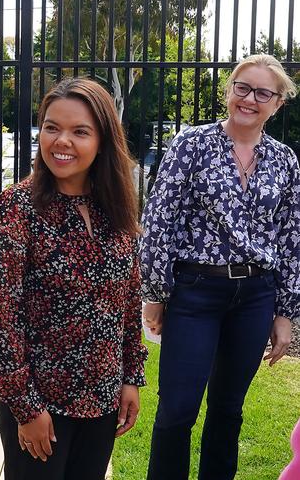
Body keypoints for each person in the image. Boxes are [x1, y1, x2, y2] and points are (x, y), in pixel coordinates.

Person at [0, 77, 148, 480]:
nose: (61, 141)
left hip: (102, 399)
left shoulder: (116, 208)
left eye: (80, 131)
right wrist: (25, 406)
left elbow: (127, 302)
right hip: (41, 405)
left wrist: (130, 378)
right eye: (52, 127)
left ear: (104, 141)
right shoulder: (18, 207)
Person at [140, 54, 300, 480]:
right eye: (242, 87)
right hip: (195, 292)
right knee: (177, 409)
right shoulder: (191, 144)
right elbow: (159, 221)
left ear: (278, 103)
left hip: (256, 296)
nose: (250, 99)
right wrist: (155, 295)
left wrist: (284, 313)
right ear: (229, 89)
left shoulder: (285, 161)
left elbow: (291, 238)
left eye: (263, 93)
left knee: (228, 411)